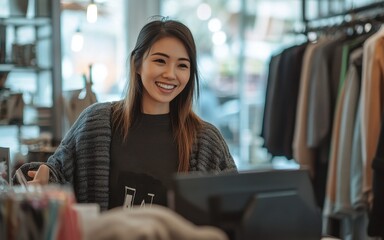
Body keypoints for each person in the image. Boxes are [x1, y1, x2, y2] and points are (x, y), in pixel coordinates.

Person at [15, 18, 237, 211]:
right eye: (160, 60)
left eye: (182, 65)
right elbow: (55, 174)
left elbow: (235, 204)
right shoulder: (96, 123)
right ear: (137, 64)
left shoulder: (207, 139)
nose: (170, 74)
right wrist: (43, 178)